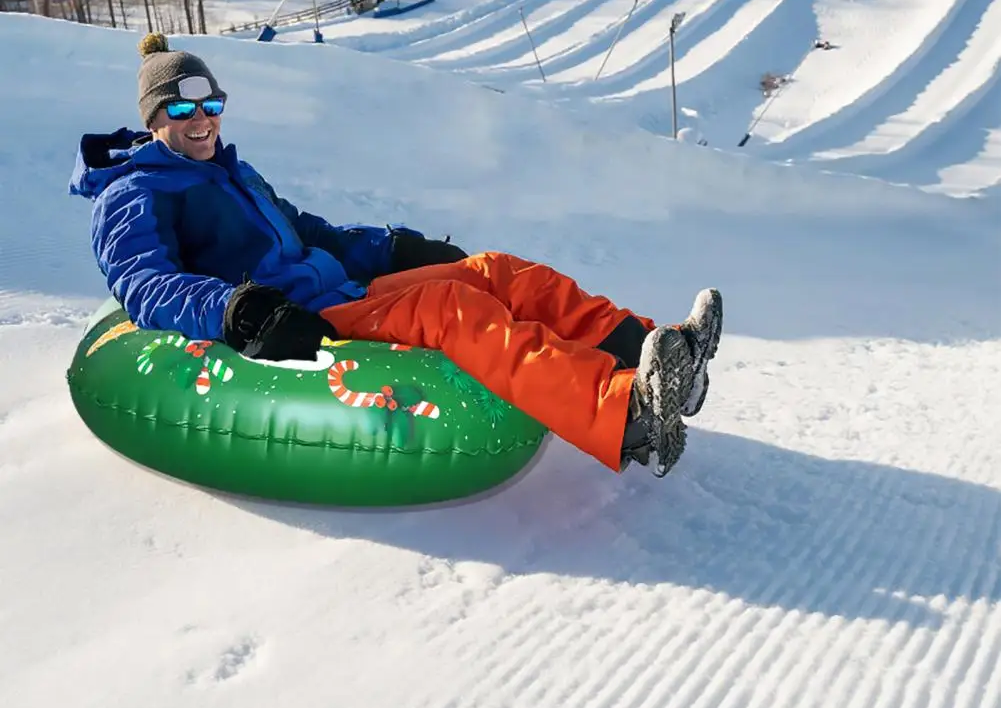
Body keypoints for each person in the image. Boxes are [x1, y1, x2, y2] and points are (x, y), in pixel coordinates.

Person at [69, 34, 723, 478]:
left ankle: (655, 354)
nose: (202, 118)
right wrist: (236, 308)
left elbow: (307, 231)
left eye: (211, 103)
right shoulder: (134, 191)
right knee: (451, 306)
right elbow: (144, 283)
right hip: (296, 317)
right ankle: (628, 418)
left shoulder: (229, 171)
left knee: (496, 271)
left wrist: (391, 245)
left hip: (340, 287)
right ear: (156, 116)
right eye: (182, 106)